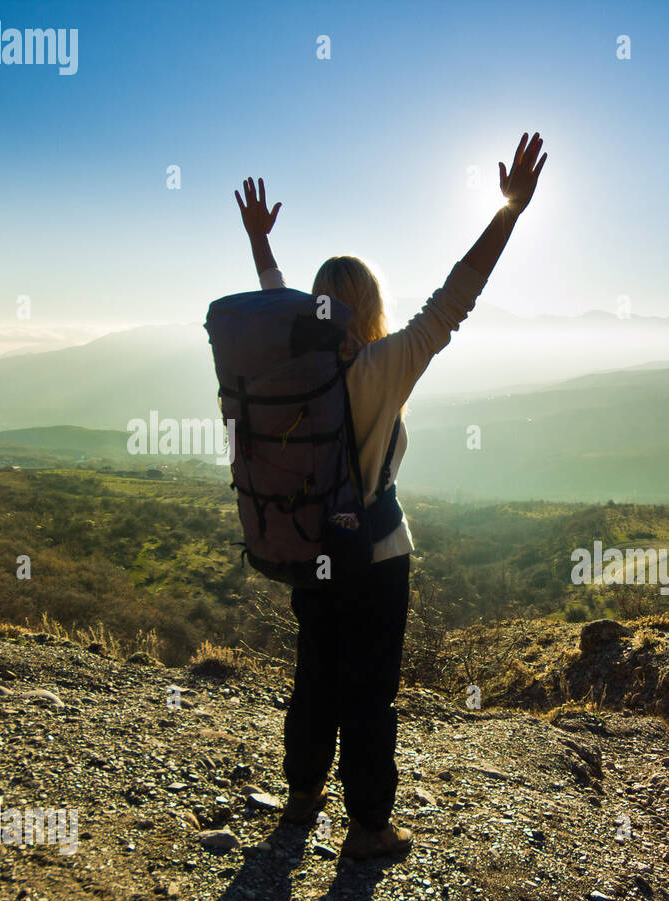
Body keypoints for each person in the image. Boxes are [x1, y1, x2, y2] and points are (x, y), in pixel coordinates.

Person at [233, 133, 547, 859]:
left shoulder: (293, 378)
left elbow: (273, 302)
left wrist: (260, 246)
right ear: (370, 307)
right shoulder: (385, 365)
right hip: (374, 555)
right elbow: (454, 299)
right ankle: (369, 826)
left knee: (316, 672)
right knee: (371, 691)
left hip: (312, 551)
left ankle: (302, 796)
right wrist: (510, 213)